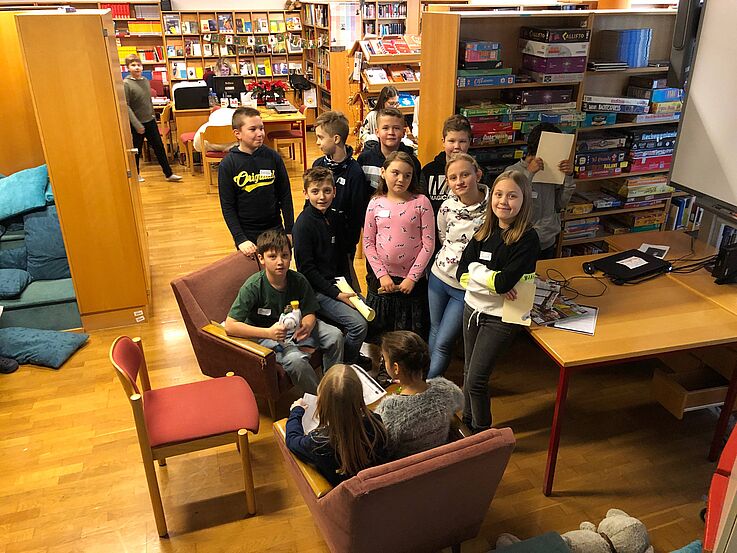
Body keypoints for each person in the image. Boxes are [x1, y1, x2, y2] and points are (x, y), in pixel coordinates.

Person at [456, 170, 539, 433]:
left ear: (524, 200)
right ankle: (467, 423)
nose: (503, 201)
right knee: (468, 372)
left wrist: (480, 276)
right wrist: (492, 281)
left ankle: (482, 433)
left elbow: (502, 283)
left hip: (502, 316)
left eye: (512, 196)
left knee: (477, 380)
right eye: (499, 194)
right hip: (473, 308)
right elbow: (461, 274)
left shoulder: (527, 239)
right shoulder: (484, 231)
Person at [224, 230, 343, 395]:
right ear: (261, 259)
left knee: (335, 335)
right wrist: (268, 333)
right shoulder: (253, 287)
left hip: (296, 327)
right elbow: (230, 326)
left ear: (290, 257)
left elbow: (310, 311)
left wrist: (308, 325)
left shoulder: (299, 280)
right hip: (266, 335)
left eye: (285, 256)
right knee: (295, 360)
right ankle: (320, 399)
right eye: (272, 257)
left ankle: (332, 387)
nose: (280, 262)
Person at [293, 167, 368, 365]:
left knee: (368, 312)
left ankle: (349, 355)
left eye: (327, 191)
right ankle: (346, 364)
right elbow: (307, 271)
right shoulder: (302, 225)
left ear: (334, 192)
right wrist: (337, 294)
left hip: (338, 285)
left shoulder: (335, 217)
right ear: (306, 193)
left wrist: (350, 289)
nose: (322, 197)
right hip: (317, 290)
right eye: (315, 191)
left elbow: (342, 257)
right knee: (359, 325)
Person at [427, 153, 488, 379]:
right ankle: (426, 382)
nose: (459, 181)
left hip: (464, 287)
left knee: (444, 341)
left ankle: (425, 386)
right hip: (438, 277)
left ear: (477, 174)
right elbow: (444, 237)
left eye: (465, 175)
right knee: (434, 329)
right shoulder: (447, 206)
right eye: (453, 178)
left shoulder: (492, 208)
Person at [363, 151, 434, 339]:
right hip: (382, 281)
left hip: (411, 283)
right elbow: (368, 243)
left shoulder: (421, 202)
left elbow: (428, 244)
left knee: (408, 336)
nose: (401, 179)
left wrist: (412, 278)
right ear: (383, 172)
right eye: (395, 173)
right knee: (380, 334)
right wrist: (382, 275)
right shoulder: (375, 203)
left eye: (407, 175)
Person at [286, 364, 389, 486]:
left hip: (337, 491)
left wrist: (296, 411)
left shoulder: (318, 442)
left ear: (322, 401)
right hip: (374, 488)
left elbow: (292, 439)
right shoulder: (375, 422)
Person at [218, 106, 294, 257]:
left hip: (274, 228)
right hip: (247, 234)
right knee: (253, 271)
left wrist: (290, 230)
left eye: (261, 128)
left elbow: (285, 196)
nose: (260, 133)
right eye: (253, 129)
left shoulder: (273, 157)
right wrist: (240, 238)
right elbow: (228, 206)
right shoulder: (228, 164)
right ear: (237, 133)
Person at [374, 331, 463, 459]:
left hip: (408, 465)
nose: (383, 362)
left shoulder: (389, 409)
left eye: (384, 359)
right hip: (439, 459)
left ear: (396, 368)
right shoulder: (446, 388)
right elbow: (460, 403)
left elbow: (385, 449)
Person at [505, 122, 575, 260]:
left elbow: (560, 204)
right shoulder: (512, 171)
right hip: (521, 241)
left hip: (547, 239)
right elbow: (510, 206)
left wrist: (569, 177)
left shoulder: (552, 171)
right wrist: (529, 174)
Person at [311, 111, 369, 258]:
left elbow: (357, 213)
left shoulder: (355, 172)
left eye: (320, 137)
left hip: (343, 244)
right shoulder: (317, 164)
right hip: (317, 237)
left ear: (336, 139)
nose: (317, 142)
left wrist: (350, 245)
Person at [122, 54, 182, 183]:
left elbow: (147, 101)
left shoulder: (145, 80)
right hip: (137, 124)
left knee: (159, 147)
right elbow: (126, 106)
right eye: (133, 65)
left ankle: (168, 174)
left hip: (150, 121)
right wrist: (137, 125)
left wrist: (153, 116)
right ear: (128, 68)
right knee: (136, 150)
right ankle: (136, 174)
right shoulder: (126, 84)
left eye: (139, 65)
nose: (136, 68)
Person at [419, 114, 473, 219]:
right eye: (451, 141)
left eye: (462, 141)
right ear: (443, 142)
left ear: (469, 142)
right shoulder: (428, 171)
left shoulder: (477, 171)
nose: (457, 146)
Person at [357, 107, 421, 192]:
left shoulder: (412, 161)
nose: (391, 132)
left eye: (396, 128)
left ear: (403, 132)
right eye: (385, 128)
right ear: (377, 132)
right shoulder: (364, 159)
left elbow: (415, 192)